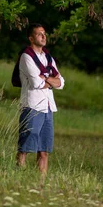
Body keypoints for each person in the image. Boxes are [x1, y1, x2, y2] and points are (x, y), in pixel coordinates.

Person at [16, 23, 64, 175]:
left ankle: (41, 183)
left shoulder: (48, 57)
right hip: (32, 106)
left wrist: (46, 78)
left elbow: (61, 83)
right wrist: (51, 80)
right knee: (25, 147)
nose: (43, 36)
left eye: (44, 33)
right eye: (39, 34)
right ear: (31, 38)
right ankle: (18, 178)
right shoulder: (26, 56)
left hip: (48, 106)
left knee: (44, 150)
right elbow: (36, 83)